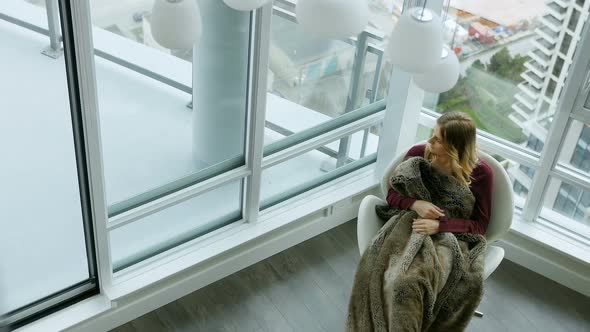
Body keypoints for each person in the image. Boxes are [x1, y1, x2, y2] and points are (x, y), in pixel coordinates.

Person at [387, 111, 494, 235]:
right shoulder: (418, 155)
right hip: (407, 223)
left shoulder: (481, 174)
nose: (429, 140)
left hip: (451, 236)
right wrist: (415, 204)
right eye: (433, 133)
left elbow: (480, 226)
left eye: (438, 140)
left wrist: (440, 226)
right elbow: (391, 195)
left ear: (456, 147)